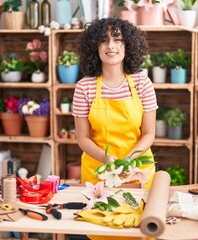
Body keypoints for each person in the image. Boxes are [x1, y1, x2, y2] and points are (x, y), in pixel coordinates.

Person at [72, 17, 158, 190]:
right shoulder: (84, 87)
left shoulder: (143, 84)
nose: (111, 46)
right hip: (98, 171)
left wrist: (127, 161)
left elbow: (149, 134)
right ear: (94, 47)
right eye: (104, 41)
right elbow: (82, 138)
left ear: (128, 46)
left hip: (135, 170)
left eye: (118, 40)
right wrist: (106, 159)